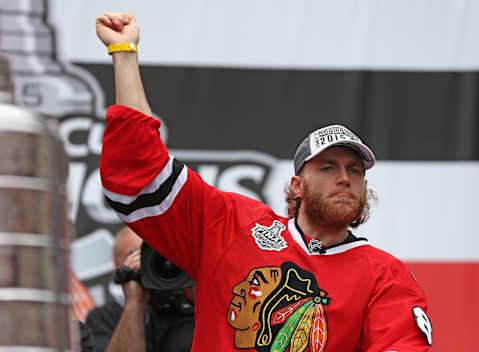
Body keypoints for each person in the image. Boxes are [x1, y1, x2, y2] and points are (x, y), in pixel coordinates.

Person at [96, 12, 433, 351]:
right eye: (328, 168)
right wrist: (124, 53)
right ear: (297, 186)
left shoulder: (384, 276)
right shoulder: (232, 226)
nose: (345, 178)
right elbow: (143, 170)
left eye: (355, 171)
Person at [86, 227, 195, 352]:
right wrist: (134, 303)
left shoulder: (195, 304)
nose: (147, 262)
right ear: (117, 265)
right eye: (138, 254)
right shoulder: (103, 318)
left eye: (157, 254)